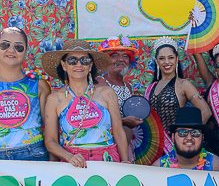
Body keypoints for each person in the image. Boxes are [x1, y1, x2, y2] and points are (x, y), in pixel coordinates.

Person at [42, 40, 129, 167]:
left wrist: (125, 161)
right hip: (73, 163)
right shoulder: (54, 99)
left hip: (107, 160)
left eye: (84, 60)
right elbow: (50, 141)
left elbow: (118, 131)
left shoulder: (107, 93)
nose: (79, 64)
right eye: (72, 60)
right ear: (64, 65)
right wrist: (69, 157)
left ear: (90, 66)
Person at [146, 37, 211, 153]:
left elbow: (206, 112)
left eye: (170, 57)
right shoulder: (151, 87)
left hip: (175, 147)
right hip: (154, 147)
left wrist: (188, 135)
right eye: (162, 58)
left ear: (176, 59)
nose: (167, 62)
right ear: (156, 61)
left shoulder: (183, 84)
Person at [0, 26, 50, 161]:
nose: (11, 50)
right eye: (5, 45)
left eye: (18, 47)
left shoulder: (40, 86)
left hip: (33, 155)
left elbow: (50, 129)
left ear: (26, 51)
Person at [153, 106, 219, 171]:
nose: (189, 137)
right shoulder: (159, 168)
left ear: (202, 137)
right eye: (182, 132)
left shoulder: (216, 166)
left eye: (195, 133)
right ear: (173, 137)